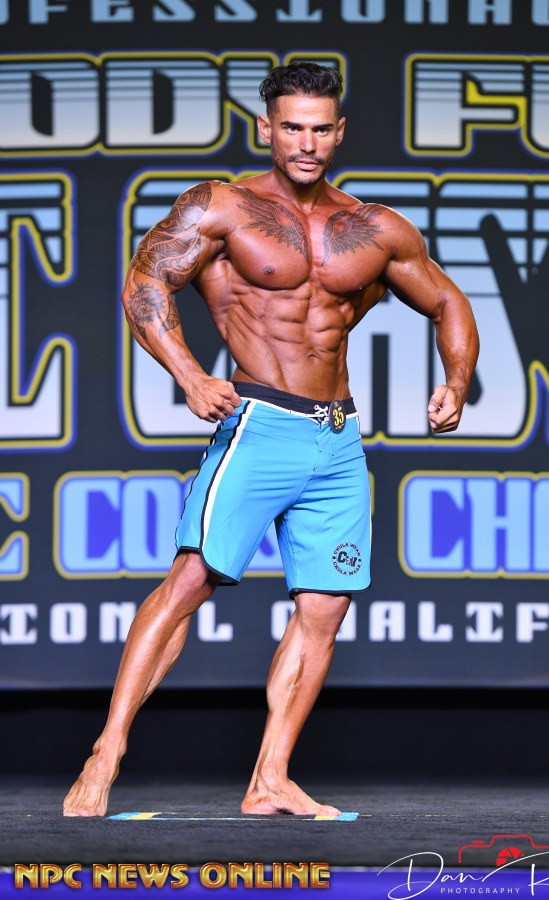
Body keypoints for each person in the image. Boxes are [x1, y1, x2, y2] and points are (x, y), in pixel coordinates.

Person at [64, 61, 479, 817]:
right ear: (267, 128)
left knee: (325, 607)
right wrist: (189, 374)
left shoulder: (377, 227)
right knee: (191, 579)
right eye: (292, 127)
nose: (306, 143)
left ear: (339, 132)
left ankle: (270, 779)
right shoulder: (223, 206)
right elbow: (144, 283)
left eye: (320, 129)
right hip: (258, 423)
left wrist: (456, 380)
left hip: (338, 439)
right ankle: (107, 751)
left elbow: (448, 300)